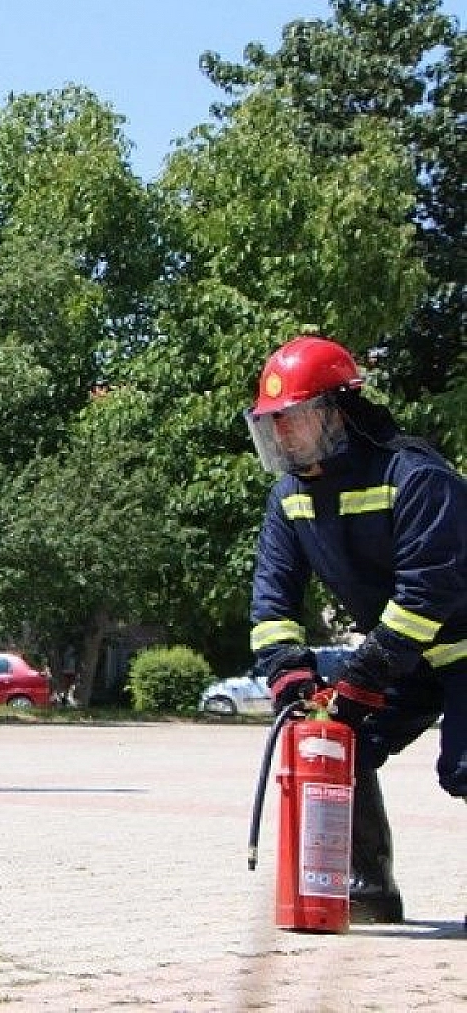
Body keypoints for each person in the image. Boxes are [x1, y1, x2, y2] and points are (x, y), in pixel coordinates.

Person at [245, 335, 465, 924]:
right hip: (404, 655)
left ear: (338, 414)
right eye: (272, 425)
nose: (282, 437)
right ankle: (368, 888)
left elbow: (427, 595)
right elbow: (272, 602)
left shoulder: (416, 476)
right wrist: (291, 679)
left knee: (464, 770)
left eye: (293, 421)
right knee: (334, 737)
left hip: (456, 645)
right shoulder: (289, 497)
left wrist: (363, 676)